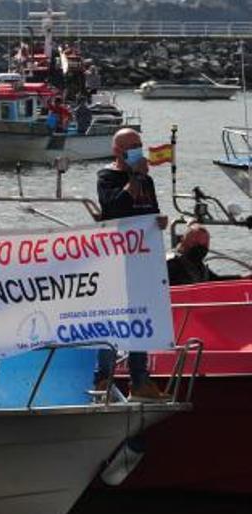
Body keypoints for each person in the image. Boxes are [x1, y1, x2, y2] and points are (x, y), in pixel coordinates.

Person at [94, 128, 168, 401]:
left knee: (141, 317)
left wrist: (159, 222)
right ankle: (102, 377)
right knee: (112, 317)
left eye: (139, 144)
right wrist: (135, 177)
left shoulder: (146, 181)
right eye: (131, 146)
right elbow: (114, 209)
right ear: (117, 151)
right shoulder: (107, 177)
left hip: (142, 261)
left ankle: (140, 380)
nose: (137, 149)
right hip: (115, 261)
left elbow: (150, 213)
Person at [167, 223, 249, 286]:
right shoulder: (170, 264)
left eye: (204, 245)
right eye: (196, 243)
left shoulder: (198, 265)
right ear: (183, 240)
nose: (200, 248)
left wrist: (244, 278)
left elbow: (215, 281)